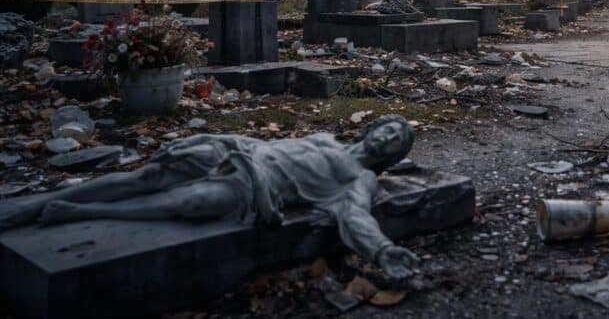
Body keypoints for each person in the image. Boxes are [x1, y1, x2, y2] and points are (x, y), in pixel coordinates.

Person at [0, 116, 420, 280]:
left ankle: (77, 211)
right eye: (388, 128)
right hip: (239, 153)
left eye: (396, 140)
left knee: (187, 203)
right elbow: (264, 142)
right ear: (372, 128)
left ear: (393, 155)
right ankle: (33, 205)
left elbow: (356, 216)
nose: (387, 136)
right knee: (148, 175)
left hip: (256, 186)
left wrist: (382, 251)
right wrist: (211, 135)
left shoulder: (361, 177)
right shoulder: (327, 137)